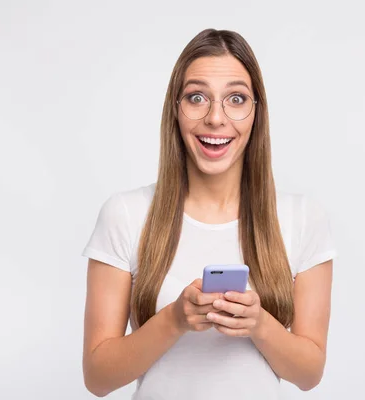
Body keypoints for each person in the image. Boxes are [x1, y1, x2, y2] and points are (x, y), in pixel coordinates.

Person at [81, 28, 338, 400]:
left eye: (236, 98)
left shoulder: (302, 218)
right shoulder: (125, 214)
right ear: (175, 108)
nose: (216, 118)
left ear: (256, 113)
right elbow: (98, 378)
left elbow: (309, 373)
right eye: (197, 97)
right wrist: (175, 320)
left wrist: (259, 325)